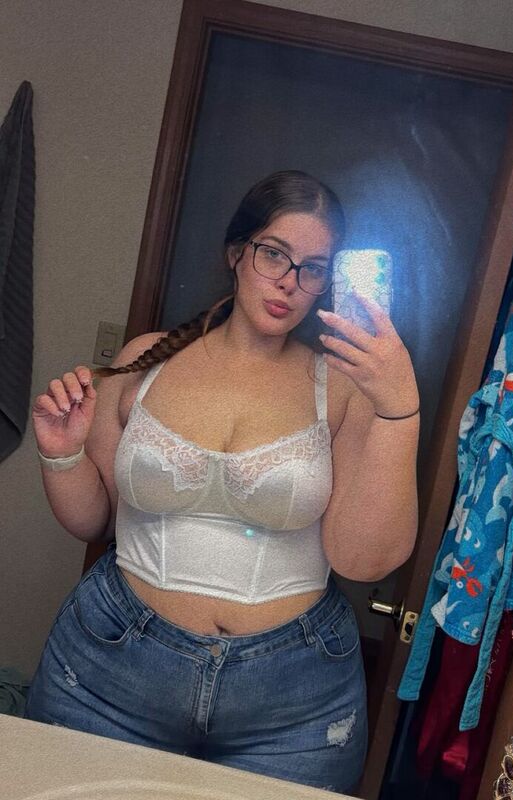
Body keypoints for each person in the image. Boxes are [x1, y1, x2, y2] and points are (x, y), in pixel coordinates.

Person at [24, 170, 420, 794]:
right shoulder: (146, 360)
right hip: (111, 667)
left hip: (293, 700)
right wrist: (61, 455)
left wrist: (400, 408)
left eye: (314, 269)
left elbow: (363, 560)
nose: (289, 282)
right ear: (237, 253)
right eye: (274, 254)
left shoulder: (343, 387)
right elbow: (93, 521)